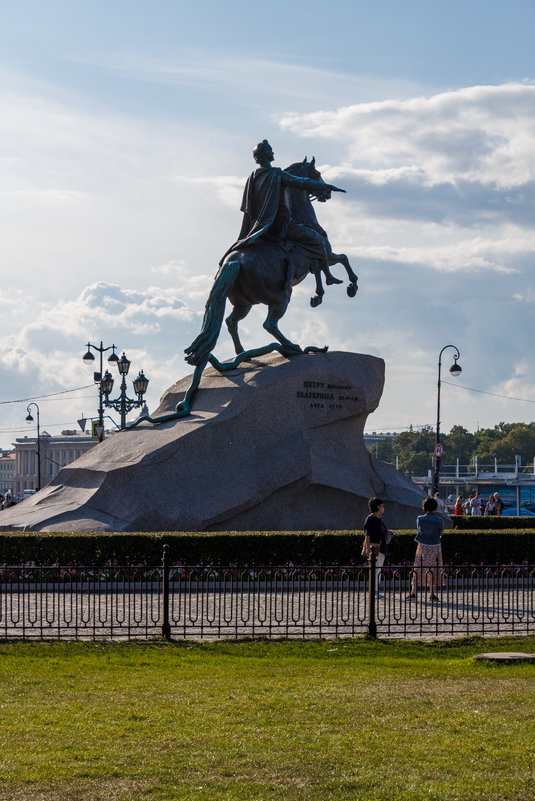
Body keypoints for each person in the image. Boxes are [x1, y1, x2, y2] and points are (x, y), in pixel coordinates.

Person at [221, 139, 345, 282]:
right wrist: (324, 186)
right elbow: (301, 182)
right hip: (282, 225)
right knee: (318, 240)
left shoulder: (252, 177)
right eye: (270, 151)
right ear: (266, 155)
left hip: (259, 228)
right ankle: (328, 277)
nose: (273, 152)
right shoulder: (276, 173)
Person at [409, 496, 444, 600]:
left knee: (418, 568)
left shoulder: (420, 519)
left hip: (423, 545)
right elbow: (441, 533)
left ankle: (413, 592)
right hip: (435, 546)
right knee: (433, 569)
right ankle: (432, 593)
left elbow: (419, 529)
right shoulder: (439, 520)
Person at [362, 497, 393, 598]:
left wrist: (388, 533)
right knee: (375, 569)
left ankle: (375, 591)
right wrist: (367, 548)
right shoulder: (370, 518)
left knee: (378, 569)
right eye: (382, 505)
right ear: (377, 507)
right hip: (374, 548)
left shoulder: (379, 518)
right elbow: (367, 534)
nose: (384, 507)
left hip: (382, 547)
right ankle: (374, 592)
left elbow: (381, 531)